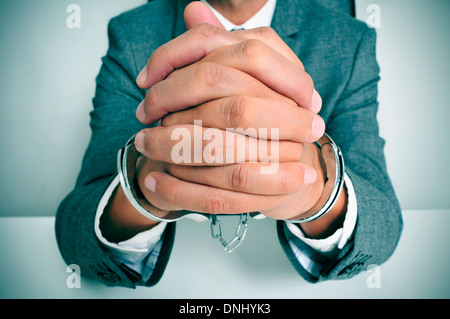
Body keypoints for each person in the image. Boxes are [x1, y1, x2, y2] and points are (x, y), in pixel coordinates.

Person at [55, 0, 403, 288]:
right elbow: (74, 234)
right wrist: (144, 181)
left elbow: (384, 226)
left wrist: (317, 188)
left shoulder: (349, 39)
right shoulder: (133, 34)